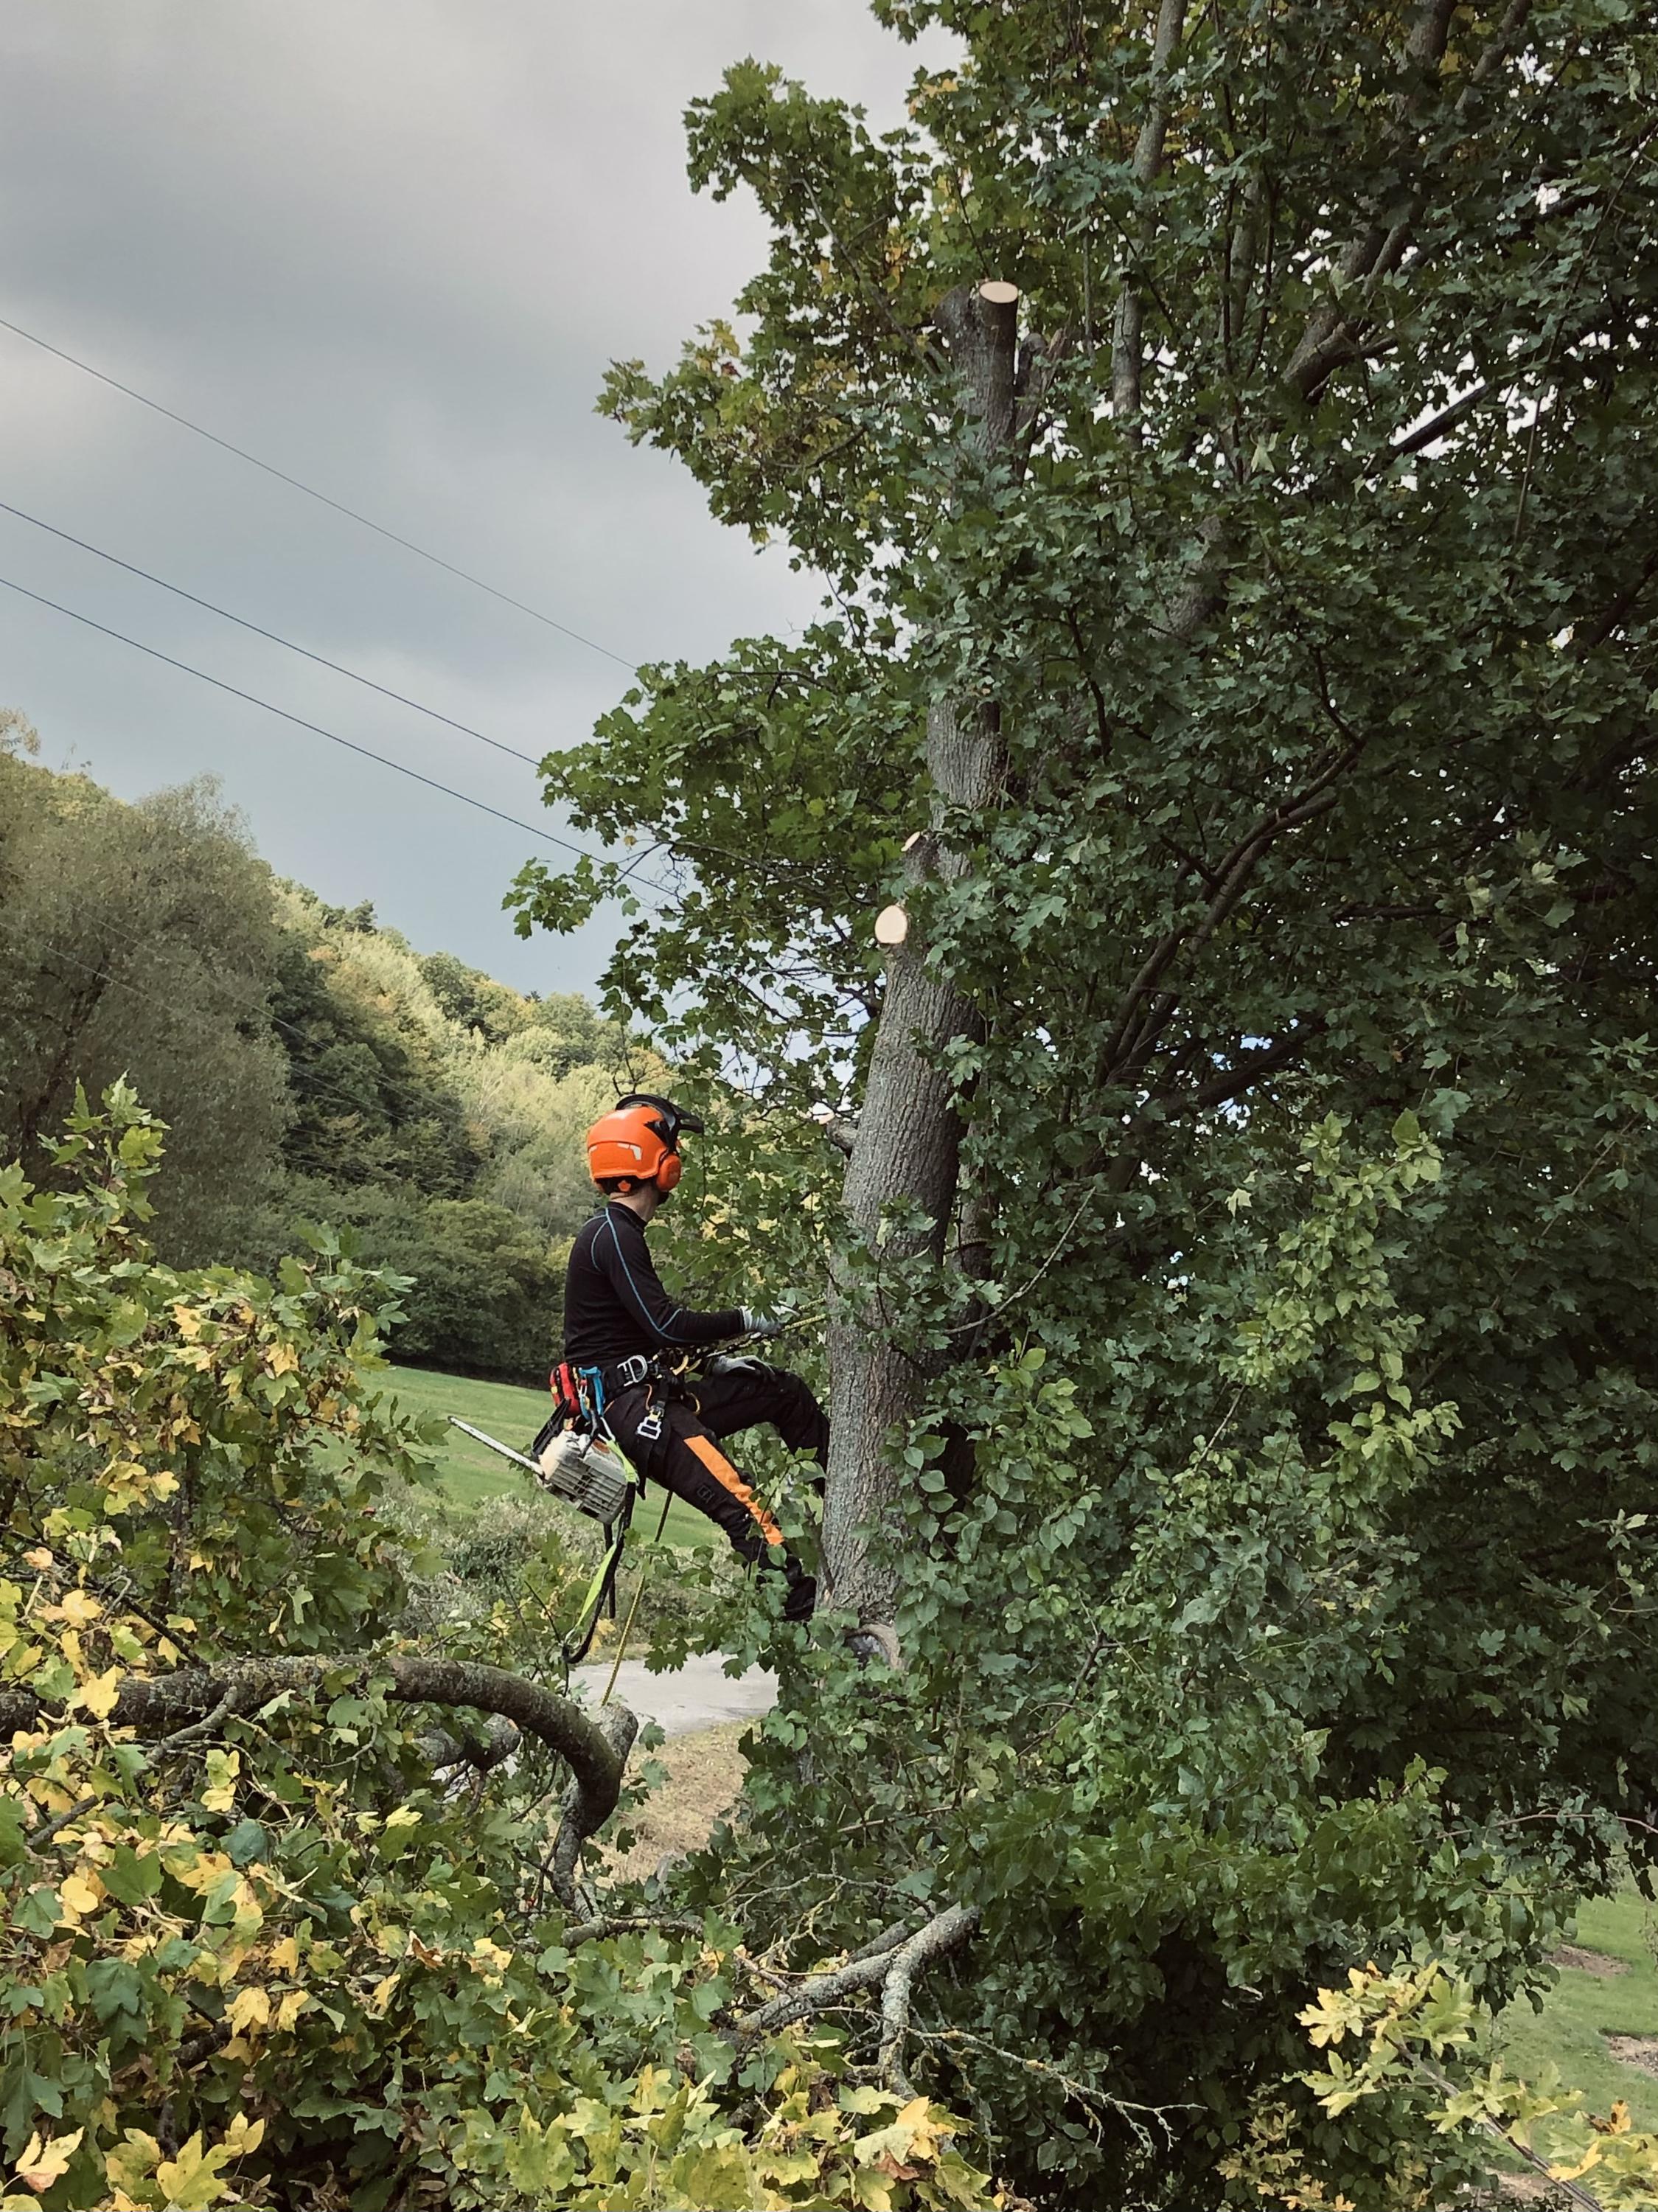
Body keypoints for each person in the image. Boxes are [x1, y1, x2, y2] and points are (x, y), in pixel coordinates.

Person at [562, 1092, 826, 1621]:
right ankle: (805, 1616)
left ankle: (840, 1492)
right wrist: (746, 1318)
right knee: (743, 1507)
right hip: (635, 1414)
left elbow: (644, 1336)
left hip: (653, 1396)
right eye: (674, 1148)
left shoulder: (617, 1234)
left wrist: (714, 1365)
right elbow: (664, 1323)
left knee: (781, 1392)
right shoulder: (612, 1235)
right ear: (657, 1163)